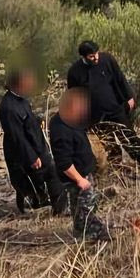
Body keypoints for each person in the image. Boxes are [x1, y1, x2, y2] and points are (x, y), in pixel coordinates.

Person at [66, 41, 140, 171]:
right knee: (109, 143)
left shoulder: (107, 59)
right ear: (84, 57)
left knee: (128, 136)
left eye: (96, 53)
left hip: (115, 108)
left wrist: (129, 96)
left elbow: (120, 78)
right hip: (96, 115)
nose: (96, 57)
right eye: (91, 56)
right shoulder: (74, 72)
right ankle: (118, 168)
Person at [0, 68, 66, 215]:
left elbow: (27, 122)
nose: (31, 84)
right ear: (18, 84)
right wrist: (31, 157)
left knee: (47, 174)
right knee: (29, 179)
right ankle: (48, 207)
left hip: (36, 147)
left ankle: (57, 206)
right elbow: (17, 136)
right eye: (28, 81)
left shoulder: (21, 99)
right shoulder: (9, 107)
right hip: (22, 153)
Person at [49, 88, 111, 241]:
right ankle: (96, 233)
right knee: (87, 207)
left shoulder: (72, 119)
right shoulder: (60, 130)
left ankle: (79, 231)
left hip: (84, 170)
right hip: (77, 176)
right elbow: (63, 162)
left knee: (78, 205)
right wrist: (79, 179)